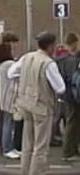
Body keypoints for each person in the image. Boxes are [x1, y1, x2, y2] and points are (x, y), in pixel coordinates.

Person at [8, 32, 66, 175]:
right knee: (40, 147)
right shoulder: (48, 63)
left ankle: (25, 171)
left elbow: (11, 73)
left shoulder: (26, 57)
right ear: (50, 46)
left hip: (25, 105)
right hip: (41, 106)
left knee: (27, 143)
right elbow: (60, 87)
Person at [55, 33, 80, 161]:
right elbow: (75, 79)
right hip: (73, 96)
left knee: (72, 122)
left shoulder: (60, 59)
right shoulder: (73, 60)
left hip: (65, 95)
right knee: (72, 122)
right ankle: (69, 152)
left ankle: (72, 150)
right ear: (75, 42)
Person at [0, 43, 21, 159]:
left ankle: (8, 146)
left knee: (7, 122)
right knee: (8, 123)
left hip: (3, 97)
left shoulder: (0, 65)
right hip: (10, 97)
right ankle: (7, 148)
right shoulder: (9, 65)